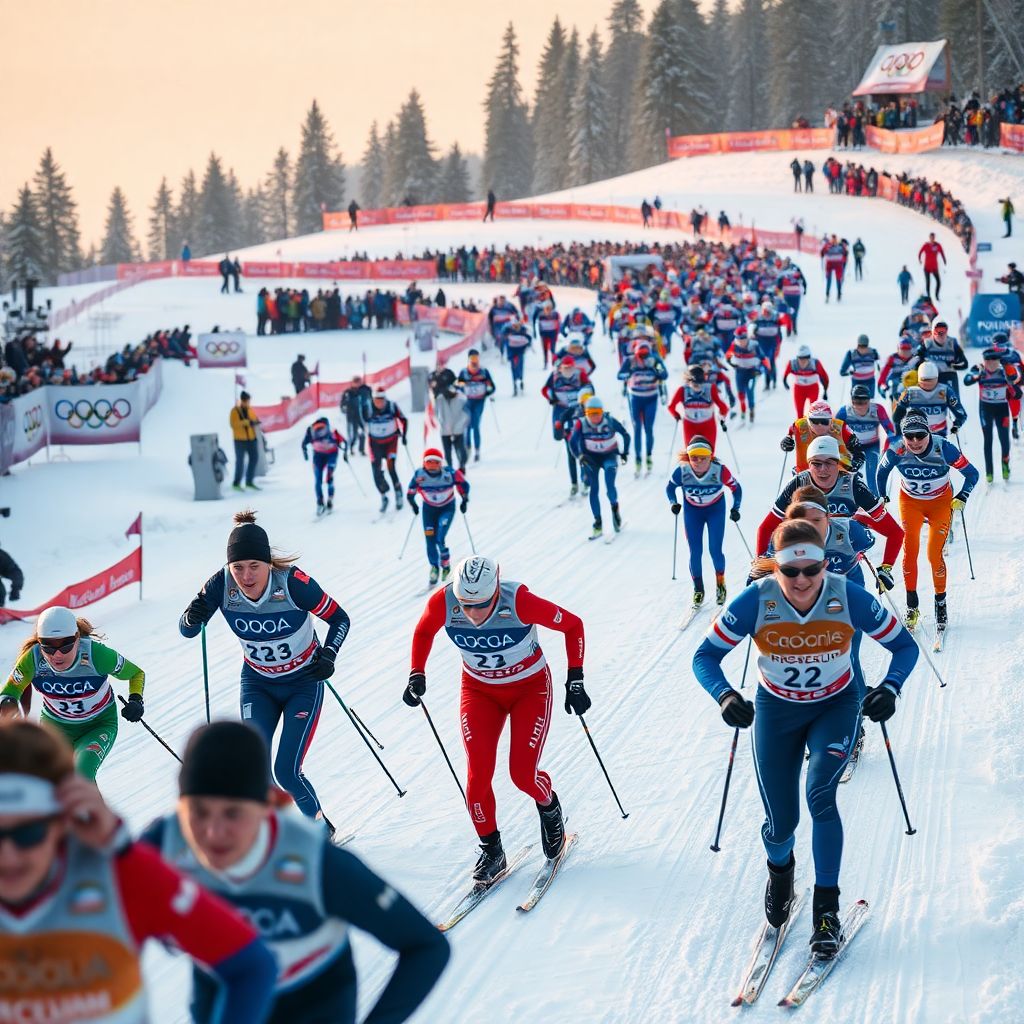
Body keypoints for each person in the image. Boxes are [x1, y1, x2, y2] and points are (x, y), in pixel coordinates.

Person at [693, 519, 918, 956]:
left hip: (836, 706)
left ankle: (826, 910)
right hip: (776, 712)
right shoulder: (756, 600)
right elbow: (705, 656)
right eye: (790, 571)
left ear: (824, 564)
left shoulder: (847, 594)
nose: (801, 580)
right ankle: (781, 872)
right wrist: (723, 696)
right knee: (781, 825)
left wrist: (889, 688)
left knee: (820, 795)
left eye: (811, 570)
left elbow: (904, 646)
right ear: (775, 567)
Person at [142, 721, 449, 1024]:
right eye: (198, 812)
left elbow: (425, 947)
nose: (213, 832)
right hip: (220, 996)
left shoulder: (316, 863)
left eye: (233, 813)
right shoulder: (163, 843)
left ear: (266, 806)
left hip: (312, 1005)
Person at [0, 719, 277, 1022]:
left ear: (61, 823)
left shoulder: (120, 876)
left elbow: (252, 966)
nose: (8, 857)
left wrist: (123, 855)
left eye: (28, 834)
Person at [404, 556, 587, 880]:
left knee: (521, 774)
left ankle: (549, 806)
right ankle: (492, 851)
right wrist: (416, 673)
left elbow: (572, 625)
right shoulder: (444, 602)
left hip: (529, 689)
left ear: (496, 590)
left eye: (482, 605)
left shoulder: (520, 602)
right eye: (466, 605)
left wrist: (575, 679)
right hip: (479, 691)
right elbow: (422, 632)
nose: (473, 614)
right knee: (477, 776)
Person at [178, 510, 351, 832]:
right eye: (238, 567)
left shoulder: (295, 584)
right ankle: (279, 835)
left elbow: (340, 618)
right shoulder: (221, 584)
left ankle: (320, 831)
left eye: (254, 566)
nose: (246, 576)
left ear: (268, 563)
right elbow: (187, 630)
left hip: (303, 682)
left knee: (286, 772)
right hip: (257, 684)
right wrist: (192, 616)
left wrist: (329, 654)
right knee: (255, 769)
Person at [1, 606, 147, 781]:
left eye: (66, 645)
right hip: (55, 727)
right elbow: (11, 690)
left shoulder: (97, 655)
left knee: (82, 773)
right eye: (48, 647)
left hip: (97, 725)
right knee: (46, 779)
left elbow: (136, 673)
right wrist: (8, 707)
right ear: (40, 643)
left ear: (77, 638)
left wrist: (136, 700)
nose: (57, 655)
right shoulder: (32, 659)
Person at [876, 413, 979, 630]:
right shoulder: (897, 448)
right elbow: (881, 472)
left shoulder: (944, 448)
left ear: (928, 433)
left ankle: (940, 603)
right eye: (909, 436)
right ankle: (912, 606)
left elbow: (973, 474)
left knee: (934, 553)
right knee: (910, 548)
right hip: (910, 503)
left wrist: (963, 496)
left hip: (940, 503)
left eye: (920, 435)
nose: (914, 441)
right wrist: (882, 495)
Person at [758, 435, 905, 584]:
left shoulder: (853, 485)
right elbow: (766, 528)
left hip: (843, 562)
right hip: (805, 564)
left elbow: (895, 532)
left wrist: (886, 568)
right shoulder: (798, 484)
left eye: (829, 462)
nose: (823, 470)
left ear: (838, 463)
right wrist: (761, 569)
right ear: (809, 465)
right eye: (816, 463)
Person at [666, 436, 742, 607]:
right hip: (693, 513)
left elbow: (736, 488)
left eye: (703, 458)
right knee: (695, 551)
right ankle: (698, 590)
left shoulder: (720, 470)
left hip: (715, 511)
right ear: (688, 457)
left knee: (715, 550)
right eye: (694, 458)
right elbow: (670, 488)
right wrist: (674, 503)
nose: (699, 462)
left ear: (710, 457)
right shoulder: (682, 471)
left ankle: (720, 585)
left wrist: (735, 508)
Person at [568, 395, 629, 538]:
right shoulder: (581, 424)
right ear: (586, 413)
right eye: (591, 414)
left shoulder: (609, 421)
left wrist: (625, 452)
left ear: (602, 412)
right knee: (594, 489)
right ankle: (597, 523)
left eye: (598, 413)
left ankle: (615, 510)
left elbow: (626, 435)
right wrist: (579, 456)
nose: (595, 418)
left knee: (609, 485)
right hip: (591, 459)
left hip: (609, 457)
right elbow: (572, 442)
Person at [407, 448, 470, 585]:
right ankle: (434, 567)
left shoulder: (449, 473)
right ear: (424, 463)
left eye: (436, 462)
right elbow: (411, 490)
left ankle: (445, 564)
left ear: (441, 463)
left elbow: (463, 484)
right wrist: (413, 504)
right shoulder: (419, 475)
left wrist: (464, 499)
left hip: (446, 508)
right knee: (430, 539)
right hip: (429, 510)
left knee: (440, 537)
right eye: (429, 462)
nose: (432, 465)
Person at [964, 349, 1020, 482]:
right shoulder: (979, 370)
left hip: (1001, 409)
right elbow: (966, 381)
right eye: (987, 361)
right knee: (988, 440)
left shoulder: (1004, 371)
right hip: (986, 409)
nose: (989, 364)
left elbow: (1016, 383)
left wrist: (1008, 368)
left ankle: (1005, 465)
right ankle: (989, 472)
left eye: (993, 361)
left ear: (997, 361)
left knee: (1004, 440)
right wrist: (975, 375)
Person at [542, 356, 591, 499]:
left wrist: (585, 398)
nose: (568, 371)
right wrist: (551, 398)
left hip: (578, 410)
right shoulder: (555, 376)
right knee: (564, 443)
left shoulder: (580, 373)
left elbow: (590, 387)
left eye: (571, 368)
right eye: (566, 368)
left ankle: (583, 481)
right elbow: (545, 389)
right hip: (562, 409)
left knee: (580, 447)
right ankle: (574, 483)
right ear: (561, 367)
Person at [617, 339, 668, 476]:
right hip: (635, 398)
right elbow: (619, 375)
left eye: (645, 355)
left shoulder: (654, 359)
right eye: (641, 355)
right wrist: (629, 373)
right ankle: (638, 458)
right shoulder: (630, 360)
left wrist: (655, 370)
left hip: (651, 397)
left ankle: (649, 455)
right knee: (637, 428)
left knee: (648, 428)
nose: (643, 358)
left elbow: (664, 374)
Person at [837, 384, 896, 487]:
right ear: (851, 401)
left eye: (864, 402)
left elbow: (890, 432)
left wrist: (887, 450)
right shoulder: (844, 412)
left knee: (872, 475)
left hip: (871, 446)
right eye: (856, 402)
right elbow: (835, 432)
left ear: (869, 400)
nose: (860, 406)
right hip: (852, 448)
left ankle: (876, 500)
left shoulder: (877, 409)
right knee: (848, 475)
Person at [780, 400, 860, 474]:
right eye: (815, 421)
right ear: (807, 420)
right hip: (805, 474)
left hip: (838, 474)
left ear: (831, 421)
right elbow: (789, 435)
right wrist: (787, 441)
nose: (819, 425)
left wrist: (856, 460)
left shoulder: (840, 427)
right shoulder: (800, 426)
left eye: (824, 421)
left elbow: (857, 448)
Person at [362, 386, 408, 513]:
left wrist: (404, 435)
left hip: (391, 442)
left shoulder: (392, 406)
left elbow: (404, 419)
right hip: (374, 444)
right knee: (376, 472)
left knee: (391, 468)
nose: (380, 402)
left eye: (382, 399)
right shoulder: (368, 408)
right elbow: (361, 421)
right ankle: (384, 495)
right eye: (377, 399)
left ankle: (398, 493)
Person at [892, 361, 968, 437]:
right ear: (919, 379)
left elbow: (961, 413)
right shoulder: (910, 392)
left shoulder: (945, 391)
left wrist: (957, 425)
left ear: (937, 378)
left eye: (931, 380)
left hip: (939, 433)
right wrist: (900, 410)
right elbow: (897, 416)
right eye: (924, 380)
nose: (928, 384)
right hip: (917, 434)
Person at [668, 364, 730, 451]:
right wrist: (676, 415)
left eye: (700, 384)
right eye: (694, 384)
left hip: (708, 425)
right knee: (691, 454)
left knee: (709, 454)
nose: (697, 388)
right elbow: (671, 406)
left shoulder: (711, 388)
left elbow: (723, 407)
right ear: (688, 381)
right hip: (690, 425)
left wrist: (722, 416)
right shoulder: (682, 390)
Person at [301, 415, 348, 515]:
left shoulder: (330, 431)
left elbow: (303, 444)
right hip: (322, 455)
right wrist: (345, 453)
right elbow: (345, 443)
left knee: (320, 479)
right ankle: (325, 500)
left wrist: (305, 453)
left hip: (329, 454)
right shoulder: (313, 430)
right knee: (324, 478)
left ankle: (322, 502)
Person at [915, 317, 968, 398]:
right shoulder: (927, 343)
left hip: (949, 375)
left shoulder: (952, 343)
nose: (941, 334)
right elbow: (916, 360)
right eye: (938, 331)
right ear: (933, 332)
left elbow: (964, 363)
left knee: (954, 400)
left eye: (943, 330)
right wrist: (924, 366)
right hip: (931, 376)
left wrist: (953, 365)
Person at [725, 331, 769, 424]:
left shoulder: (754, 345)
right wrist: (731, 364)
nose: (741, 343)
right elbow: (728, 355)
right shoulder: (734, 345)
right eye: (739, 340)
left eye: (743, 340)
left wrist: (762, 370)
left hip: (751, 372)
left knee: (749, 391)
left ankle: (751, 410)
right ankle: (743, 410)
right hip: (740, 372)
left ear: (747, 339)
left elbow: (763, 358)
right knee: (741, 393)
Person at [431, 368, 470, 471]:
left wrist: (461, 425)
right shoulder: (440, 399)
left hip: (458, 429)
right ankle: (450, 470)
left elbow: (466, 414)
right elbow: (435, 413)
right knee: (447, 453)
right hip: (445, 430)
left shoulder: (461, 398)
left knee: (461, 450)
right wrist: (440, 423)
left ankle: (462, 466)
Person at [782, 344, 829, 415]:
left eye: (805, 359)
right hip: (799, 390)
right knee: (799, 413)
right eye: (800, 359)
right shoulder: (792, 364)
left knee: (814, 413)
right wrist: (785, 383)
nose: (802, 362)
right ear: (797, 358)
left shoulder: (816, 364)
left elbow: (824, 377)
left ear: (809, 358)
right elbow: (785, 376)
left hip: (813, 389)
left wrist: (825, 391)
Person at [230, 390, 261, 492]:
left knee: (254, 458)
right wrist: (247, 422)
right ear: (242, 401)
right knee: (240, 462)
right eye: (247, 401)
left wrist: (255, 422)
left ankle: (249, 480)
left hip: (251, 439)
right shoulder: (235, 411)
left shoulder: (250, 410)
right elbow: (234, 424)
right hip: (240, 440)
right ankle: (236, 483)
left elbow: (254, 419)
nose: (248, 403)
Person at [839, 334, 881, 399]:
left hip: (870, 383)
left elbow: (880, 365)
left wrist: (880, 369)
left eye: (865, 347)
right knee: (857, 402)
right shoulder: (851, 353)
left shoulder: (873, 352)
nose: (862, 349)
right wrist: (849, 372)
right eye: (860, 346)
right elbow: (842, 371)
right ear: (857, 345)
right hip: (857, 383)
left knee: (869, 402)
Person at [340, 375, 370, 455]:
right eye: (356, 382)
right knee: (354, 434)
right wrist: (345, 408)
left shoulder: (365, 390)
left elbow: (370, 401)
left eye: (359, 382)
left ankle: (361, 449)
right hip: (352, 417)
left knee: (362, 433)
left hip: (362, 416)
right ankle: (351, 448)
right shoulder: (348, 392)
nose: (357, 384)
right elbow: (343, 405)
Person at [918, 232, 946, 300]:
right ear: (929, 238)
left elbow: (942, 252)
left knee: (938, 282)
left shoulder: (937, 245)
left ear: (934, 238)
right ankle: (929, 297)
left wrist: (944, 259)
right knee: (928, 282)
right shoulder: (926, 245)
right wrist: (919, 260)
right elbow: (920, 252)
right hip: (926, 267)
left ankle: (936, 295)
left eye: (933, 237)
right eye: (931, 237)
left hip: (934, 268)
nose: (932, 239)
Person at [820, 234, 847, 302]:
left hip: (838, 264)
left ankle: (839, 294)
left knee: (838, 280)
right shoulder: (827, 245)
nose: (833, 240)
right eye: (832, 239)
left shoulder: (840, 245)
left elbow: (845, 253)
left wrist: (844, 261)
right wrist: (822, 254)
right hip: (830, 265)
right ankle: (827, 295)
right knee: (829, 280)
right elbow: (822, 252)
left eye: (834, 239)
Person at [0, 544, 23, 608]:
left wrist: (15, 589)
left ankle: (1, 610)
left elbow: (15, 572)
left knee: (1, 591)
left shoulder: (2, 557)